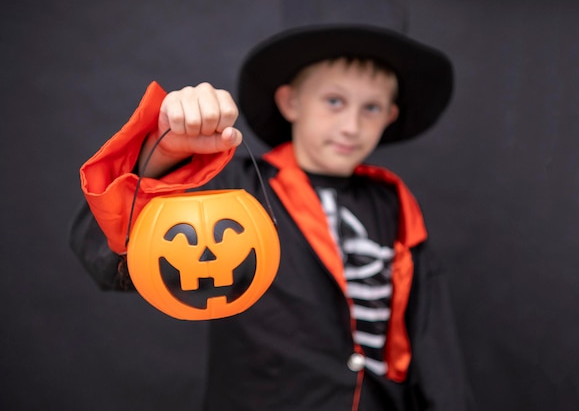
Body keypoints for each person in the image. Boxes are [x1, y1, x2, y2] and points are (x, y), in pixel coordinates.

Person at [70, 24, 473, 410]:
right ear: (290, 102)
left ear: (389, 116)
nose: (351, 126)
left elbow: (431, 337)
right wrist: (165, 156)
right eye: (334, 101)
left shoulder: (394, 204)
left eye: (371, 107)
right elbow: (106, 253)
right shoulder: (232, 187)